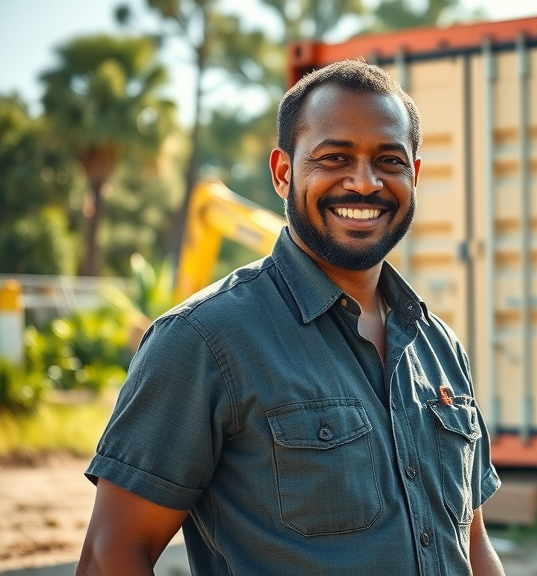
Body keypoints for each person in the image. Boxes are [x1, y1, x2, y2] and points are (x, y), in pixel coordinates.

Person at [76, 60, 504, 576]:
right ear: (284, 172)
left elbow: (471, 542)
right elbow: (111, 556)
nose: (365, 183)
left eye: (388, 160)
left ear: (414, 175)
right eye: (335, 157)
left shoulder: (439, 347)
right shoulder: (203, 341)